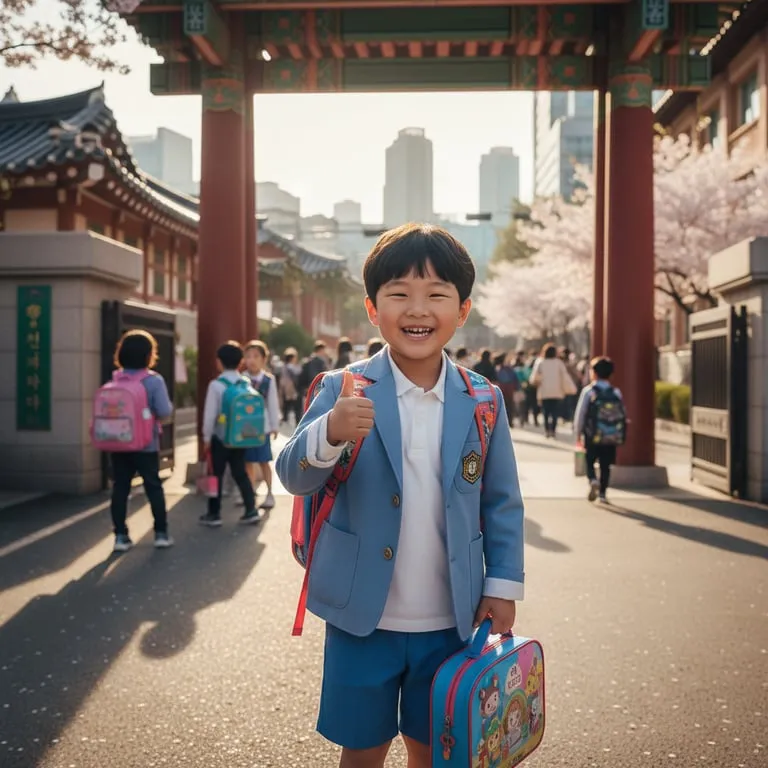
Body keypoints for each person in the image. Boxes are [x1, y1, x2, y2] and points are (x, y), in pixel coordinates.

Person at [276, 222, 524, 768]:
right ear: (372, 309)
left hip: (451, 618)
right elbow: (293, 475)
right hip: (361, 615)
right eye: (399, 295)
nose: (418, 310)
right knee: (360, 749)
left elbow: (501, 500)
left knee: (435, 748)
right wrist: (330, 432)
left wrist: (502, 585)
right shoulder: (340, 389)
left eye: (437, 295)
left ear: (462, 311)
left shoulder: (482, 399)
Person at [108, 330, 174, 552]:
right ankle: (161, 533)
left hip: (118, 442)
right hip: (146, 444)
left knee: (120, 488)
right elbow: (164, 411)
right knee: (153, 487)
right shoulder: (153, 381)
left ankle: (120, 536)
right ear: (149, 354)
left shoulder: (116, 378)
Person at [200, 340, 260, 526]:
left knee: (215, 474)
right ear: (240, 362)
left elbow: (210, 414)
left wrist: (206, 437)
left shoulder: (216, 385)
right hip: (240, 436)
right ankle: (251, 509)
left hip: (220, 437)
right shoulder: (245, 382)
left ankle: (214, 513)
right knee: (240, 472)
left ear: (219, 362)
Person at [573, 356, 625, 503]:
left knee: (590, 460)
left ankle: (592, 479)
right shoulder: (616, 393)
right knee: (605, 465)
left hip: (592, 434)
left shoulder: (589, 391)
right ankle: (603, 493)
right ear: (611, 374)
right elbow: (622, 413)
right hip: (610, 435)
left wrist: (578, 433)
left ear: (593, 373)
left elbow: (581, 414)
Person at [242, 340, 281, 511]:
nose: (251, 360)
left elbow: (273, 403)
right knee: (248, 461)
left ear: (264, 359)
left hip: (263, 426)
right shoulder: (242, 379)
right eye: (248, 356)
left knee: (264, 460)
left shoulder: (268, 380)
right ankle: (249, 493)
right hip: (244, 427)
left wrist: (275, 425)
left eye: (256, 356)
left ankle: (270, 493)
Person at [529, 342, 577, 438]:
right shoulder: (559, 363)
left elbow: (534, 377)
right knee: (555, 411)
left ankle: (547, 430)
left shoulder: (540, 362)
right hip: (557, 391)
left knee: (546, 412)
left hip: (544, 391)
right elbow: (564, 376)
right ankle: (553, 430)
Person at [279, 347, 303, 427]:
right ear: (292, 358)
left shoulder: (284, 366)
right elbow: (298, 375)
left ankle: (285, 419)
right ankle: (296, 422)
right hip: (292, 389)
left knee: (286, 405)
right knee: (296, 407)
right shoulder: (291, 367)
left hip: (286, 389)